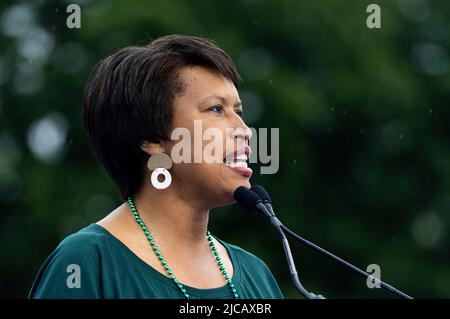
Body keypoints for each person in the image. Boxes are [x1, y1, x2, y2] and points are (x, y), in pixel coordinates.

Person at [29, 34, 284, 299]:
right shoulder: (87, 263)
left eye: (239, 112)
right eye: (216, 109)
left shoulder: (257, 275)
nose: (245, 131)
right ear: (151, 138)